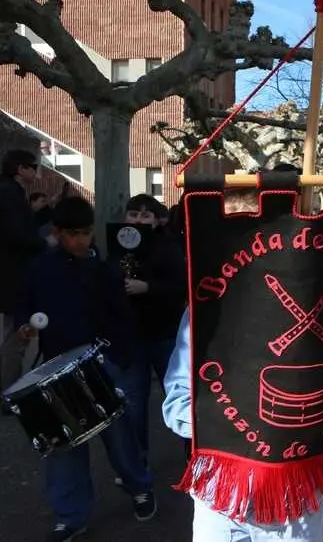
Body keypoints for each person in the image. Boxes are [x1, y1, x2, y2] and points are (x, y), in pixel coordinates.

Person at [163, 188, 323, 542]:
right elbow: (176, 403)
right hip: (220, 499)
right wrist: (231, 422)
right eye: (233, 231)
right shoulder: (202, 315)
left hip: (294, 502)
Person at [13, 197, 155, 542]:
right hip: (56, 367)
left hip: (100, 363)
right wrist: (24, 326)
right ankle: (70, 515)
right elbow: (24, 307)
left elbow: (123, 319)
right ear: (57, 232)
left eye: (87, 233)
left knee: (119, 438)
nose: (81, 240)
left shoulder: (104, 270)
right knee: (62, 444)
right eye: (73, 234)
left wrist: (116, 359)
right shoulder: (39, 269)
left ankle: (139, 486)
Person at [109, 194, 186, 463]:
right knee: (133, 402)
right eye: (133, 214)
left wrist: (148, 287)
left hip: (165, 334)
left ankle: (195, 456)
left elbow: (182, 287)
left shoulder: (168, 247)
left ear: (156, 220)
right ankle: (137, 461)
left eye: (145, 215)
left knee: (179, 395)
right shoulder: (116, 245)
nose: (138, 220)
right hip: (131, 337)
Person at [0, 149, 53, 407]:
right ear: (20, 169)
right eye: (32, 166)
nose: (35, 172)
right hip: (14, 275)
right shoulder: (8, 194)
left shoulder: (5, 192)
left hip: (8, 273)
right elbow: (17, 234)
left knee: (13, 334)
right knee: (19, 334)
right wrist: (43, 242)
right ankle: (10, 394)